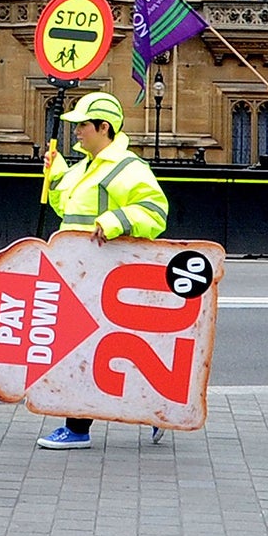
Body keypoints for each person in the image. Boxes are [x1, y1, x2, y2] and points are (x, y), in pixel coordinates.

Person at [36, 88, 170, 450]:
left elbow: (155, 212)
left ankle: (78, 427)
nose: (76, 132)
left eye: (83, 126)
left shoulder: (127, 167)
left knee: (85, 348)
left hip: (105, 276)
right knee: (99, 348)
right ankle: (158, 407)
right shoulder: (85, 167)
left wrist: (115, 221)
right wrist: (58, 173)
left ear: (104, 128)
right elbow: (67, 209)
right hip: (80, 274)